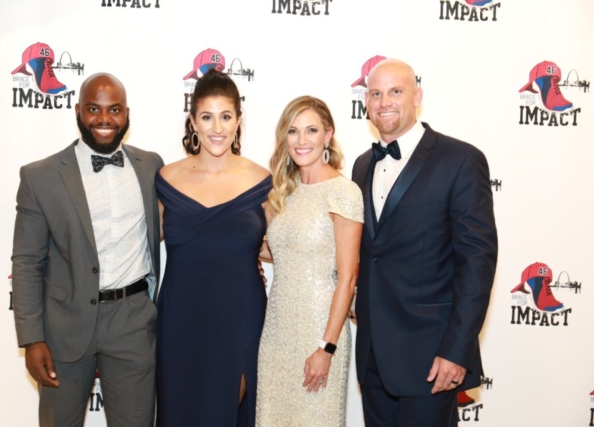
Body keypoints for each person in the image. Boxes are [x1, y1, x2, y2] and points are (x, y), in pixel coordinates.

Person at [351, 58, 498, 427]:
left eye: (395, 91)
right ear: (365, 102)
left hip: (432, 356)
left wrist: (457, 350)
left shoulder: (461, 160)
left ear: (417, 96)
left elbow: (477, 262)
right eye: (375, 94)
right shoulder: (361, 166)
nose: (384, 102)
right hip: (374, 356)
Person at [11, 73, 163, 427]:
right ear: (78, 110)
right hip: (64, 324)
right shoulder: (41, 176)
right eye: (94, 109)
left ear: (127, 114)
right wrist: (32, 338)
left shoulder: (152, 167)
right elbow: (27, 262)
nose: (104, 119)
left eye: (115, 110)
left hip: (132, 322)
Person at [155, 69, 271, 427]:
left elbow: (286, 246)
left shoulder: (263, 180)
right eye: (207, 117)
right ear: (193, 121)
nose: (217, 128)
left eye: (225, 117)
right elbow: (137, 241)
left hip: (240, 316)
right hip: (180, 318)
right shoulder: (166, 178)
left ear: (239, 120)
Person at [256, 96, 363, 426]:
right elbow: (280, 251)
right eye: (293, 131)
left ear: (328, 135)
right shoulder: (283, 193)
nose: (301, 140)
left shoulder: (343, 192)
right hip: (276, 332)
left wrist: (326, 348)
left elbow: (348, 278)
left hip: (319, 330)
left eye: (311, 130)